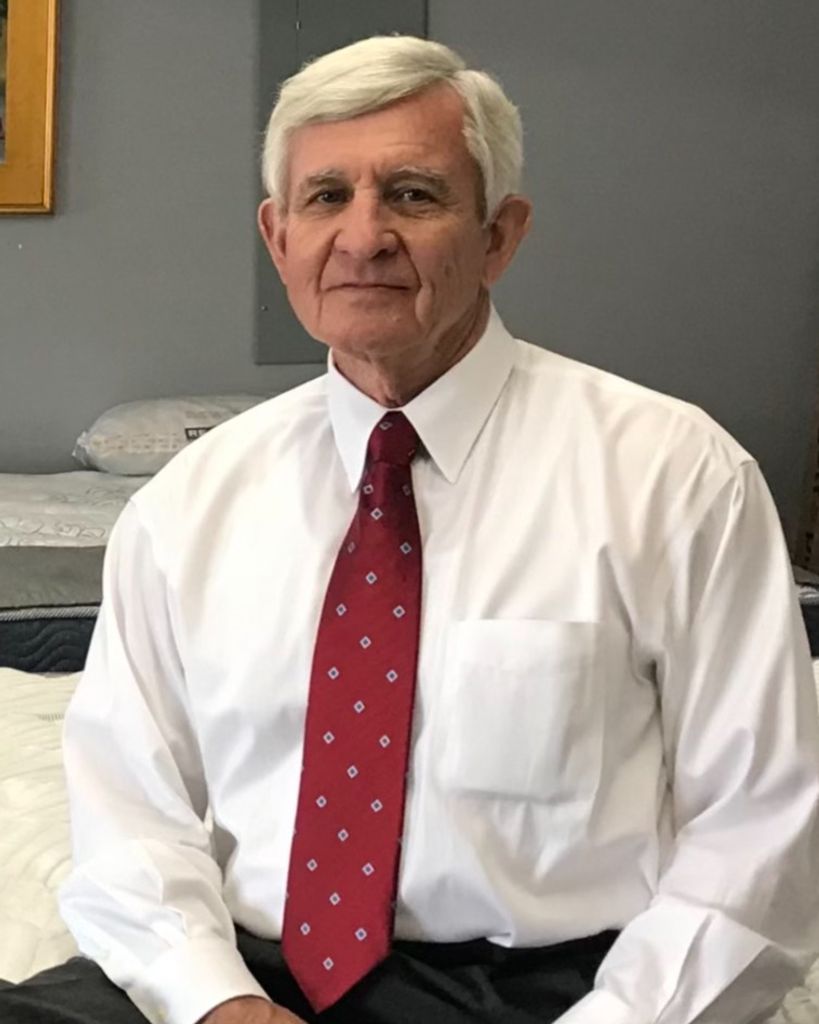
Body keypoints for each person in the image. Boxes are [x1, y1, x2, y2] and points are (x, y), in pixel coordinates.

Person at [2, 33, 818, 1024]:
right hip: (253, 969)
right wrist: (217, 1003)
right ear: (279, 238)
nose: (364, 236)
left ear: (499, 235)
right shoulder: (188, 505)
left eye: (414, 195)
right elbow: (128, 810)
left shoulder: (677, 477)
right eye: (325, 197)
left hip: (545, 988)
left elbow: (757, 838)